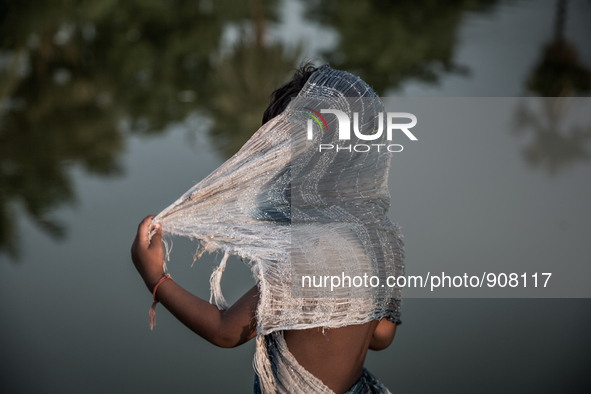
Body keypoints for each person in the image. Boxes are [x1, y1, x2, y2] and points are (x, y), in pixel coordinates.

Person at [131, 63, 400, 394]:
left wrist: (155, 278)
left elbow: (226, 331)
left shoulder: (310, 256)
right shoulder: (379, 242)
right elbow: (382, 336)